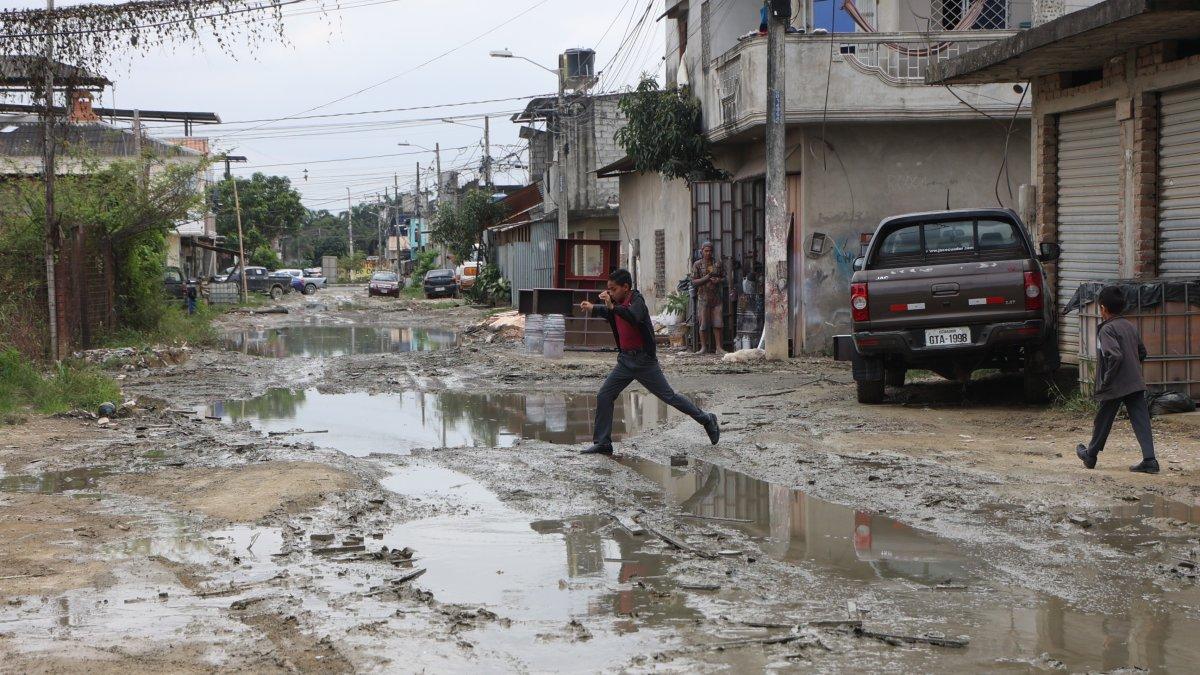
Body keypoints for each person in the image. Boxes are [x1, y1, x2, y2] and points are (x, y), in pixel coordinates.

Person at [580, 269, 720, 455]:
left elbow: (632, 316)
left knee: (669, 397)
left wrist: (612, 307)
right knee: (604, 395)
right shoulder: (616, 303)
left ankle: (707, 419)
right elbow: (610, 313)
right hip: (625, 361)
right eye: (609, 290)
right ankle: (603, 443)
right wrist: (592, 307)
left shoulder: (637, 302)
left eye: (613, 290)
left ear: (626, 287)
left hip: (644, 361)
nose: (610, 293)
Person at [1076, 286, 1159, 474]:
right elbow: (1142, 352)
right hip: (1135, 381)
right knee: (1141, 420)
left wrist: (1107, 379)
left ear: (1103, 308)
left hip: (1115, 383)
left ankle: (1091, 455)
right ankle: (1150, 460)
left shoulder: (1107, 329)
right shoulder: (1129, 325)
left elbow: (1114, 356)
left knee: (1103, 418)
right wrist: (1133, 369)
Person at [691, 242, 727, 354]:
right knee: (703, 324)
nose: (708, 253)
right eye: (706, 251)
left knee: (718, 323)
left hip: (716, 298)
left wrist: (719, 280)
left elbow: (725, 277)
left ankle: (719, 348)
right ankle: (703, 347)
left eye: (710, 251)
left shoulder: (717, 264)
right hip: (703, 298)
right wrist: (706, 278)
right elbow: (694, 281)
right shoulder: (697, 264)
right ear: (702, 251)